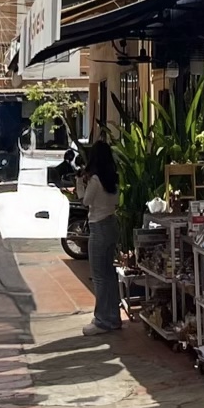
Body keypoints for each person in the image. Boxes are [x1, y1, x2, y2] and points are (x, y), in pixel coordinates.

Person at [79, 139, 121, 336]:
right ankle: (113, 317)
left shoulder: (95, 180)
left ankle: (102, 320)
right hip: (112, 224)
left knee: (99, 276)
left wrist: (80, 184)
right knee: (110, 275)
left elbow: (86, 201)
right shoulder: (114, 178)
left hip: (98, 227)